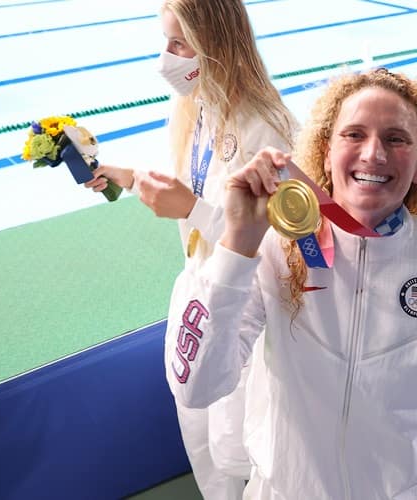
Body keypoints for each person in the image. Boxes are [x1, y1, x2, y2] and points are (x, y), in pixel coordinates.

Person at [163, 68, 417, 500]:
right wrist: (237, 245)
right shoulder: (277, 252)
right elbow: (197, 386)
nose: (373, 154)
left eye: (396, 138)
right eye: (354, 134)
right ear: (326, 151)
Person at [85, 1, 296, 498]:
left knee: (243, 454)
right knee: (202, 445)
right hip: (196, 292)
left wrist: (193, 210)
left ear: (213, 44)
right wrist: (129, 177)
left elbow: (280, 243)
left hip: (244, 309)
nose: (167, 57)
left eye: (179, 44)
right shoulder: (195, 106)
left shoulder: (267, 128)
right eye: (166, 41)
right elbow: (193, 185)